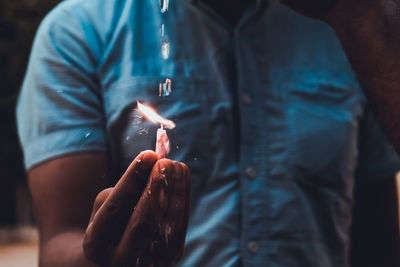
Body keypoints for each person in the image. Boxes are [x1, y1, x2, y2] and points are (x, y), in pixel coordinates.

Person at [16, 0, 400, 266]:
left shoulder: (346, 28)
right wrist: (105, 256)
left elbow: (378, 241)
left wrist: (362, 19)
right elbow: (60, 241)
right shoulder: (79, 32)